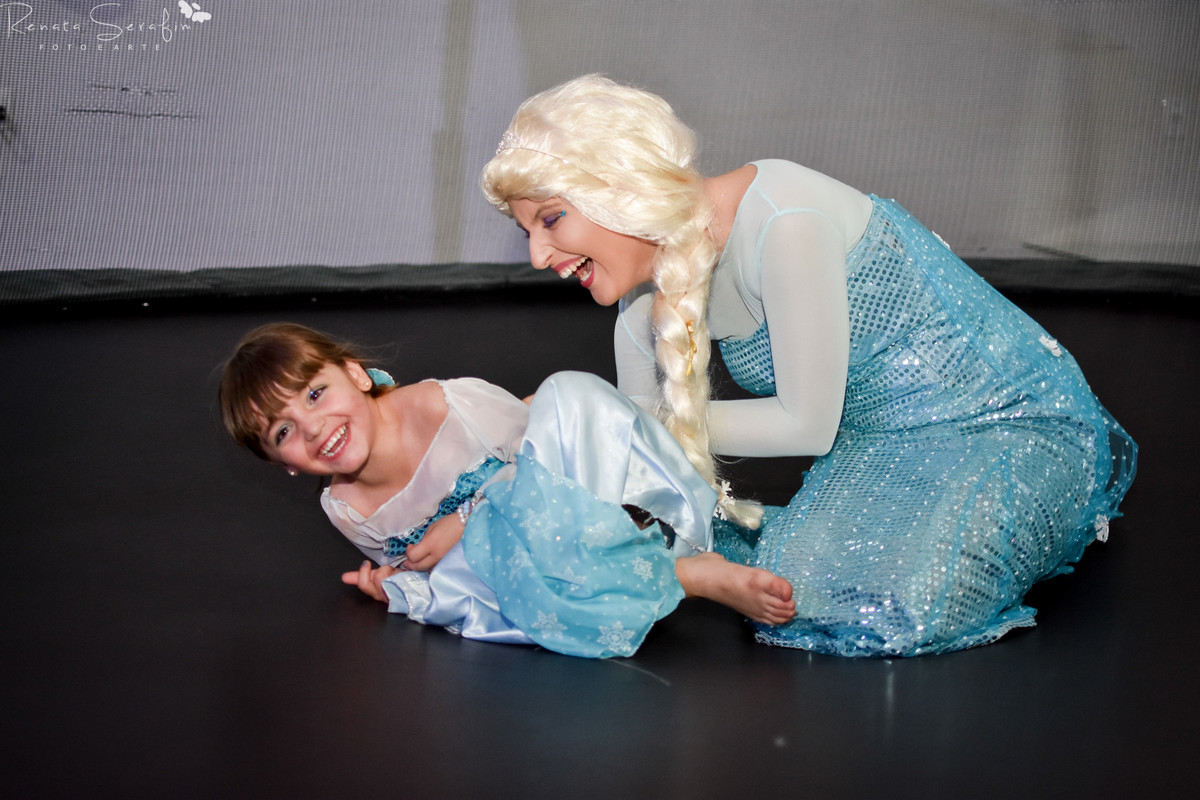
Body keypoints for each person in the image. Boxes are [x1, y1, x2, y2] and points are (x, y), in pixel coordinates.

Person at [481, 74, 1137, 657]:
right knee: (793, 591)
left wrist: (616, 420)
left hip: (1004, 424)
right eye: (526, 230)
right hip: (878, 445)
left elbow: (804, 425)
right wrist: (544, 461)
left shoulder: (785, 220)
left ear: (620, 187)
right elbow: (645, 471)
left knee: (900, 608)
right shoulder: (636, 303)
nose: (538, 255)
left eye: (552, 219)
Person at [218, 322, 795, 658]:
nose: (313, 428)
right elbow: (442, 571)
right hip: (534, 568)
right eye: (284, 432)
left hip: (589, 502)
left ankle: (667, 565)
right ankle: (685, 579)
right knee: (466, 580)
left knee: (564, 397)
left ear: (354, 374)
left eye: (315, 394)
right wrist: (395, 578)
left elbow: (549, 455)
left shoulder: (444, 403)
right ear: (281, 464)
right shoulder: (345, 507)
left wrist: (466, 519)